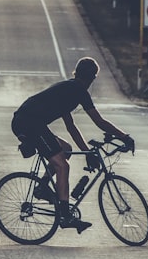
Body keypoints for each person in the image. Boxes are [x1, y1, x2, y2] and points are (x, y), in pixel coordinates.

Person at [11, 57, 135, 233]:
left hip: (28, 121)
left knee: (66, 149)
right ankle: (65, 215)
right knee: (63, 166)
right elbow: (99, 121)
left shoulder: (69, 88)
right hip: (29, 123)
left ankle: (42, 187)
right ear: (92, 78)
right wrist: (124, 137)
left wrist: (87, 152)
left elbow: (71, 127)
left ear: (77, 72)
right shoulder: (78, 91)